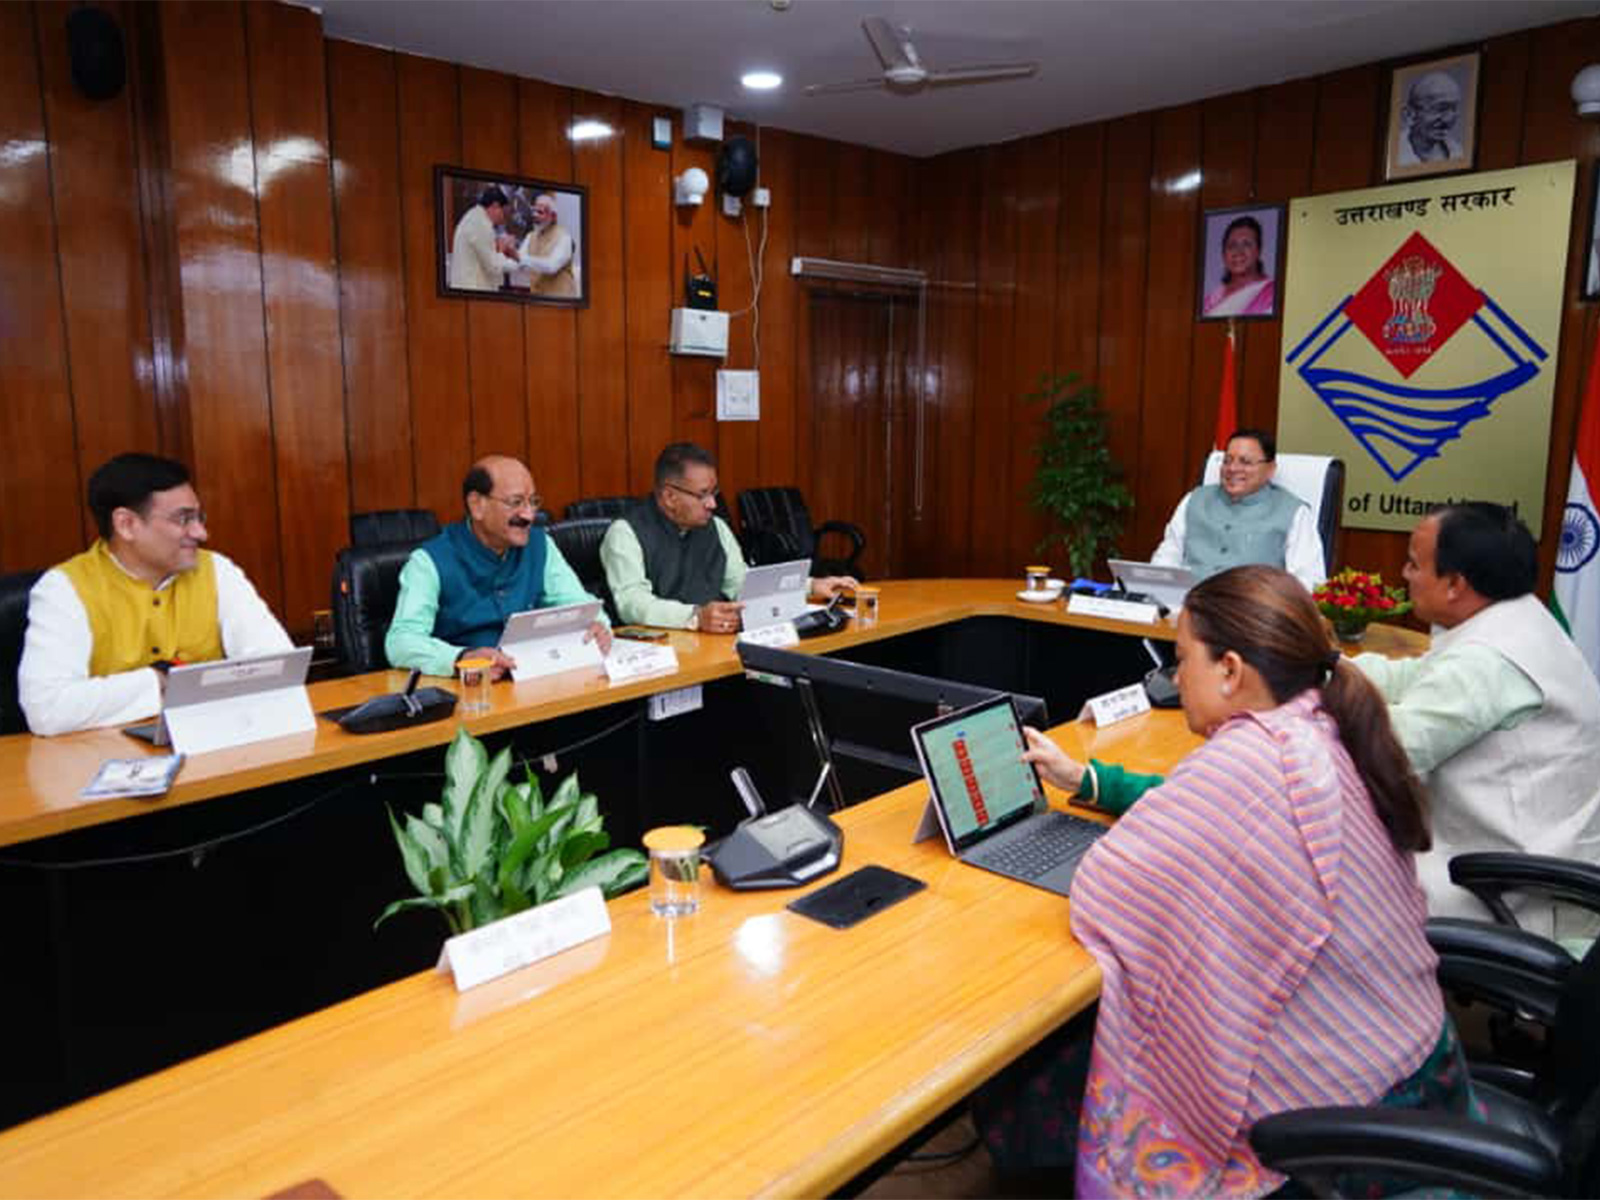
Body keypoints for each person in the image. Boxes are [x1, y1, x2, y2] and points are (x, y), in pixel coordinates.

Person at [978, 565, 1474, 1197]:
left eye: (1182, 659)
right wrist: (1090, 782)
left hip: (1347, 1120)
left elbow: (1108, 887)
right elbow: (1205, 815)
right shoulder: (1319, 723)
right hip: (1412, 1066)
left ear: (1231, 670)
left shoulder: (1251, 762)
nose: (1174, 677)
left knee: (1070, 1044)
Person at [1352, 503, 1600, 939]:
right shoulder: (1516, 618)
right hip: (1509, 854)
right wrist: (1323, 666)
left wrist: (1296, 705)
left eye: (1414, 564)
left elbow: (1392, 747)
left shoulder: (1489, 662)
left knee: (1314, 878)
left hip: (1504, 883)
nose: (1405, 575)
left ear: (1455, 585)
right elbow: (1414, 679)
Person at [18, 453, 291, 736]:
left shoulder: (216, 569)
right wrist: (160, 681)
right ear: (126, 524)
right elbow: (47, 709)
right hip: (104, 761)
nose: (201, 532)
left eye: (198, 517)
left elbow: (278, 662)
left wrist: (176, 685)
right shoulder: (64, 589)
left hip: (214, 747)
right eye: (183, 519)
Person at [386, 455, 610, 679]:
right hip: (472, 697)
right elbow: (401, 641)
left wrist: (599, 625)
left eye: (533, 502)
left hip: (533, 685)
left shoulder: (541, 545)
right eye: (516, 502)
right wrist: (460, 659)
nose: (529, 515)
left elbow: (581, 604)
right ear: (477, 505)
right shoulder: (428, 562)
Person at [599, 443, 856, 632]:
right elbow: (632, 604)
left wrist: (811, 586)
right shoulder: (625, 533)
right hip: (659, 652)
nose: (712, 504)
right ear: (669, 497)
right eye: (702, 495)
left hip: (713, 643)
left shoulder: (717, 527)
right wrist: (696, 616)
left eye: (714, 492)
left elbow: (740, 584)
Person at [1151, 427, 1325, 590]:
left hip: (1251, 614)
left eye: (1246, 462)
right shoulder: (1194, 499)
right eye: (1227, 460)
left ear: (1271, 469)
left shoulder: (1294, 512)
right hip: (1188, 604)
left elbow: (1308, 580)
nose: (1233, 469)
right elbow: (1167, 556)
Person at [448, 185, 522, 292]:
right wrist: (517, 261)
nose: (503, 219)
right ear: (495, 206)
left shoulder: (472, 218)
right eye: (504, 213)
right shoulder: (481, 225)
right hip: (474, 292)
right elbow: (494, 267)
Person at [1201, 214, 1275, 317]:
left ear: (1258, 251)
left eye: (1246, 244)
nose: (1238, 252)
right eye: (1232, 245)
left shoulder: (1272, 294)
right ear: (1223, 254)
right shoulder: (1210, 301)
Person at [1396, 71, 1465, 166]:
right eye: (1440, 109)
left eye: (1453, 109)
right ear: (1410, 114)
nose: (1448, 120)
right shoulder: (1395, 154)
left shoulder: (1459, 153)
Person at [517, 192, 578, 298]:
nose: (535, 215)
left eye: (540, 212)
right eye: (534, 211)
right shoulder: (530, 236)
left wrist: (521, 258)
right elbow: (518, 263)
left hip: (562, 304)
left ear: (553, 216)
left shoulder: (564, 238)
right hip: (537, 300)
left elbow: (551, 266)